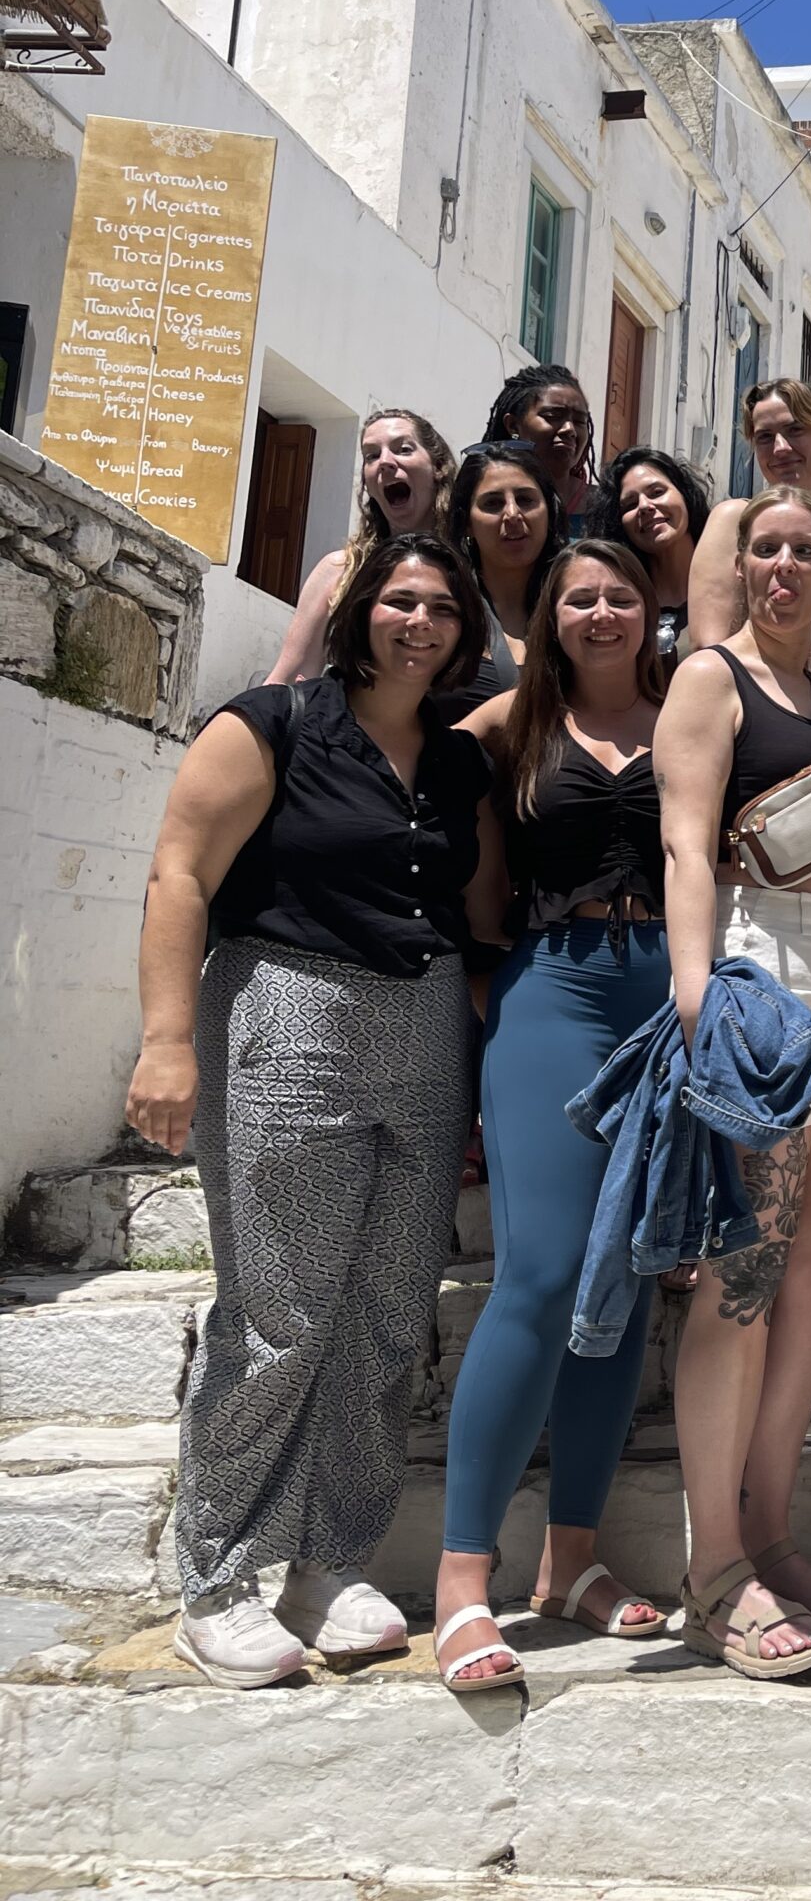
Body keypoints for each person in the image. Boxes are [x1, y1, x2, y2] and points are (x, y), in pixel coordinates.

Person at [125, 535, 506, 1690]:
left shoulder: (456, 763)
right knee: (281, 1309)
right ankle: (221, 1573)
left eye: (442, 606)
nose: (420, 622)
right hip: (289, 1006)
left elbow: (481, 910)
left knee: (390, 1311)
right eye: (400, 600)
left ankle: (328, 1561)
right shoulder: (272, 722)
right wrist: (166, 1040)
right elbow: (181, 873)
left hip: (426, 1019)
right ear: (356, 610)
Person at [432, 542, 675, 1689]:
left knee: (625, 1271)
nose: (601, 610)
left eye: (621, 592)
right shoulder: (504, 729)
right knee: (538, 1271)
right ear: (549, 615)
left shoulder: (688, 713)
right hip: (556, 983)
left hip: (667, 989)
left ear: (650, 606)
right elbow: (443, 823)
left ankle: (570, 1560)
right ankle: (462, 1584)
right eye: (579, 595)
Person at [654, 484, 811, 1678]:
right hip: (767, 960)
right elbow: (687, 837)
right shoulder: (713, 676)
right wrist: (697, 984)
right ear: (742, 566)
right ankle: (714, 1570)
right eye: (767, 550)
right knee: (745, 1271)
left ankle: (772, 1531)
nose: (785, 567)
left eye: (806, 550)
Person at [265, 408, 456, 683]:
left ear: (438, 466)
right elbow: (289, 675)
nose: (385, 463)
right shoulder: (340, 570)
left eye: (403, 449)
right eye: (372, 456)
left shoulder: (476, 565)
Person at [438, 445, 565, 722]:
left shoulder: (578, 604)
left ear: (549, 510)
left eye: (526, 500)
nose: (512, 514)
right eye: (493, 503)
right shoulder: (438, 608)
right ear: (467, 522)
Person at [588, 446, 709, 676]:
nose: (644, 506)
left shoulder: (732, 586)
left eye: (656, 492)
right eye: (630, 504)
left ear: (684, 494)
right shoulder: (615, 605)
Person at [481, 364, 597, 525]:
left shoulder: (605, 508)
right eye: (552, 416)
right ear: (513, 425)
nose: (570, 429)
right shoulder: (482, 499)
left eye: (579, 421)